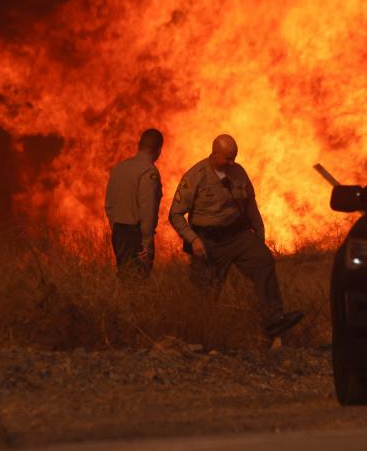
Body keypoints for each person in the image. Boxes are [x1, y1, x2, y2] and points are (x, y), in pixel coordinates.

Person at [169, 134, 303, 339]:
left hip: (237, 235)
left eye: (234, 158)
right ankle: (202, 334)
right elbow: (175, 213)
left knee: (263, 261)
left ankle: (274, 319)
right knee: (206, 289)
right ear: (214, 155)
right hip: (208, 241)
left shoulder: (238, 172)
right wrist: (193, 239)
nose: (232, 162)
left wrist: (259, 234)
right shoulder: (196, 176)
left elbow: (250, 205)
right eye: (227, 158)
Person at [104, 128, 165, 277]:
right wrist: (146, 240)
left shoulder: (119, 168)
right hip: (136, 237)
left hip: (119, 234)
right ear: (158, 150)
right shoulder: (149, 172)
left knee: (124, 278)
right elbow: (147, 208)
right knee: (139, 283)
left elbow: (109, 205)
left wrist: (116, 228)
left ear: (139, 145)